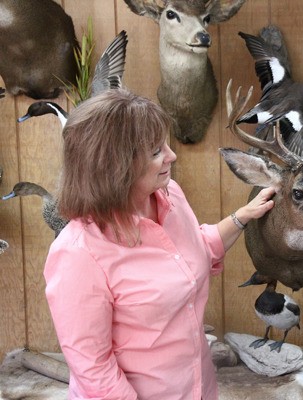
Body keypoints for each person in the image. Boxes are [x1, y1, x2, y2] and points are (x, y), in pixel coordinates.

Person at [44, 88, 276, 400]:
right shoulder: (78, 253)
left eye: (165, 144)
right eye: (156, 151)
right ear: (114, 167)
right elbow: (94, 368)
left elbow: (193, 252)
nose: (172, 156)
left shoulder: (170, 195)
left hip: (199, 389)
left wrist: (243, 216)